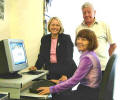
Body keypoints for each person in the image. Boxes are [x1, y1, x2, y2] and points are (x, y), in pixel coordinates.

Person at [37, 29, 102, 100]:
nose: (79, 41)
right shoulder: (90, 54)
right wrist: (60, 82)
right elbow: (77, 77)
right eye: (78, 39)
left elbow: (74, 81)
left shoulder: (87, 58)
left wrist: (51, 89)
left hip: (87, 94)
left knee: (56, 96)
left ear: (90, 42)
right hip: (90, 91)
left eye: (83, 40)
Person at [76, 2, 116, 73]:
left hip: (103, 68)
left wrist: (106, 60)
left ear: (94, 12)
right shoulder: (79, 29)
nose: (86, 15)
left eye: (89, 12)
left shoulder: (104, 25)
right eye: (84, 13)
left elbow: (113, 45)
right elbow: (79, 47)